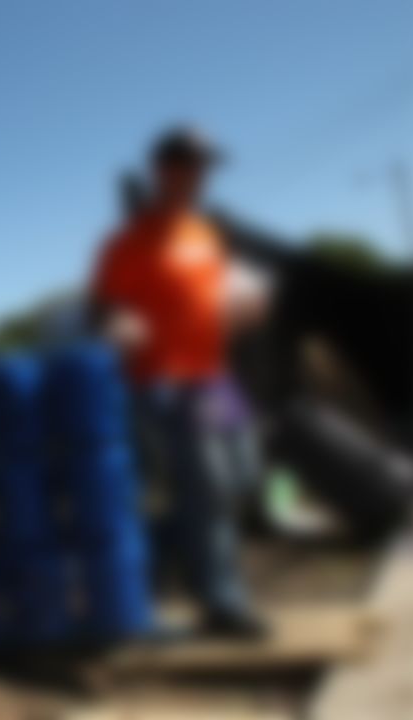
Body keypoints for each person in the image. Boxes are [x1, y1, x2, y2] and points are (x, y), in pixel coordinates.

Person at [90, 126, 268, 640]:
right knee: (208, 487)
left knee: (244, 475)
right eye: (194, 165)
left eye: (207, 167)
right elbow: (100, 308)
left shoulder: (203, 232)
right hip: (163, 380)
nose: (202, 177)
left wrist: (242, 309)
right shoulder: (128, 241)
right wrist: (116, 322)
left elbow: (216, 295)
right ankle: (222, 603)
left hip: (215, 377)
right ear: (164, 169)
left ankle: (175, 561)